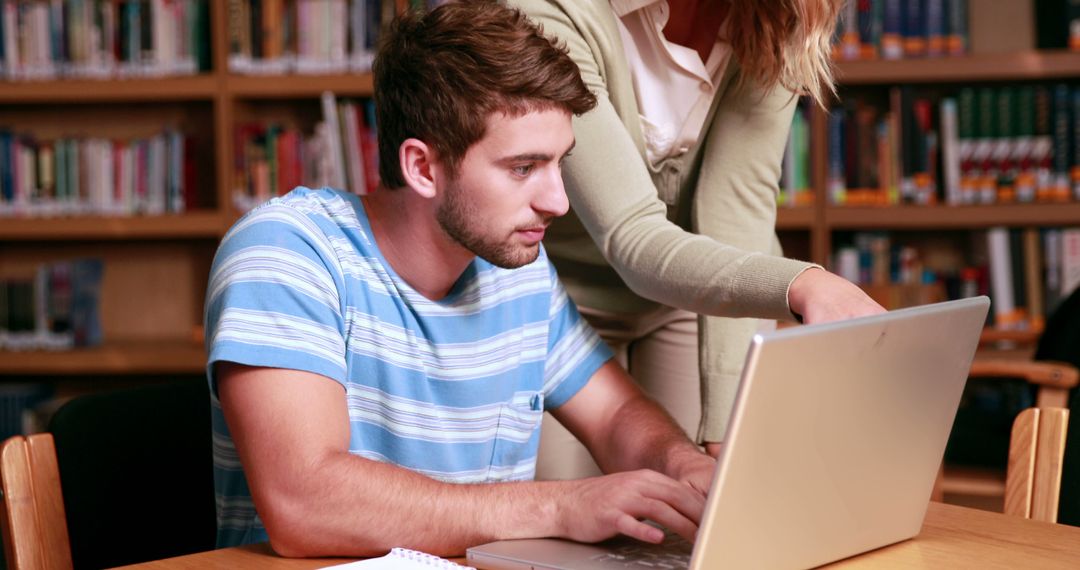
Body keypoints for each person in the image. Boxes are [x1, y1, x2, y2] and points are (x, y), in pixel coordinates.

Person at [205, 1, 715, 558]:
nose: (559, 202)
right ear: (422, 167)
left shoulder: (515, 269)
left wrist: (683, 467)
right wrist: (559, 506)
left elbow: (615, 414)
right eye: (523, 168)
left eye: (559, 163)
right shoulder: (286, 252)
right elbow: (303, 503)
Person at [505, 0, 885, 477]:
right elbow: (631, 234)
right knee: (565, 521)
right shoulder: (550, 9)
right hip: (556, 305)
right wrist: (803, 284)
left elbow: (737, 204)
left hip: (691, 295)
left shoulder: (779, 13)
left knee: (685, 516)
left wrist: (725, 420)